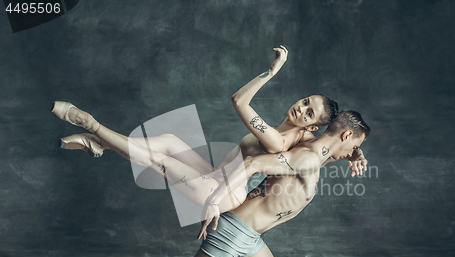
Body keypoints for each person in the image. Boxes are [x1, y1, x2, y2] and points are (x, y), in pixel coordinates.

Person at [131, 110, 370, 257]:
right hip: (233, 232)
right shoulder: (307, 155)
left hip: (250, 237)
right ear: (347, 134)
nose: (353, 152)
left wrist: (357, 152)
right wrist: (214, 201)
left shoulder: (313, 150)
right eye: (355, 145)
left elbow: (327, 155)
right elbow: (252, 164)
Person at [51, 46, 366, 212]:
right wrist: (355, 153)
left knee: (156, 160)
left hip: (223, 193)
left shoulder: (276, 139)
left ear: (311, 123)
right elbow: (330, 143)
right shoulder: (304, 135)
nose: (301, 107)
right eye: (306, 100)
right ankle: (100, 144)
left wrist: (270, 73)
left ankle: (90, 124)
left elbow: (239, 100)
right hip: (215, 173)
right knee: (169, 141)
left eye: (309, 111)